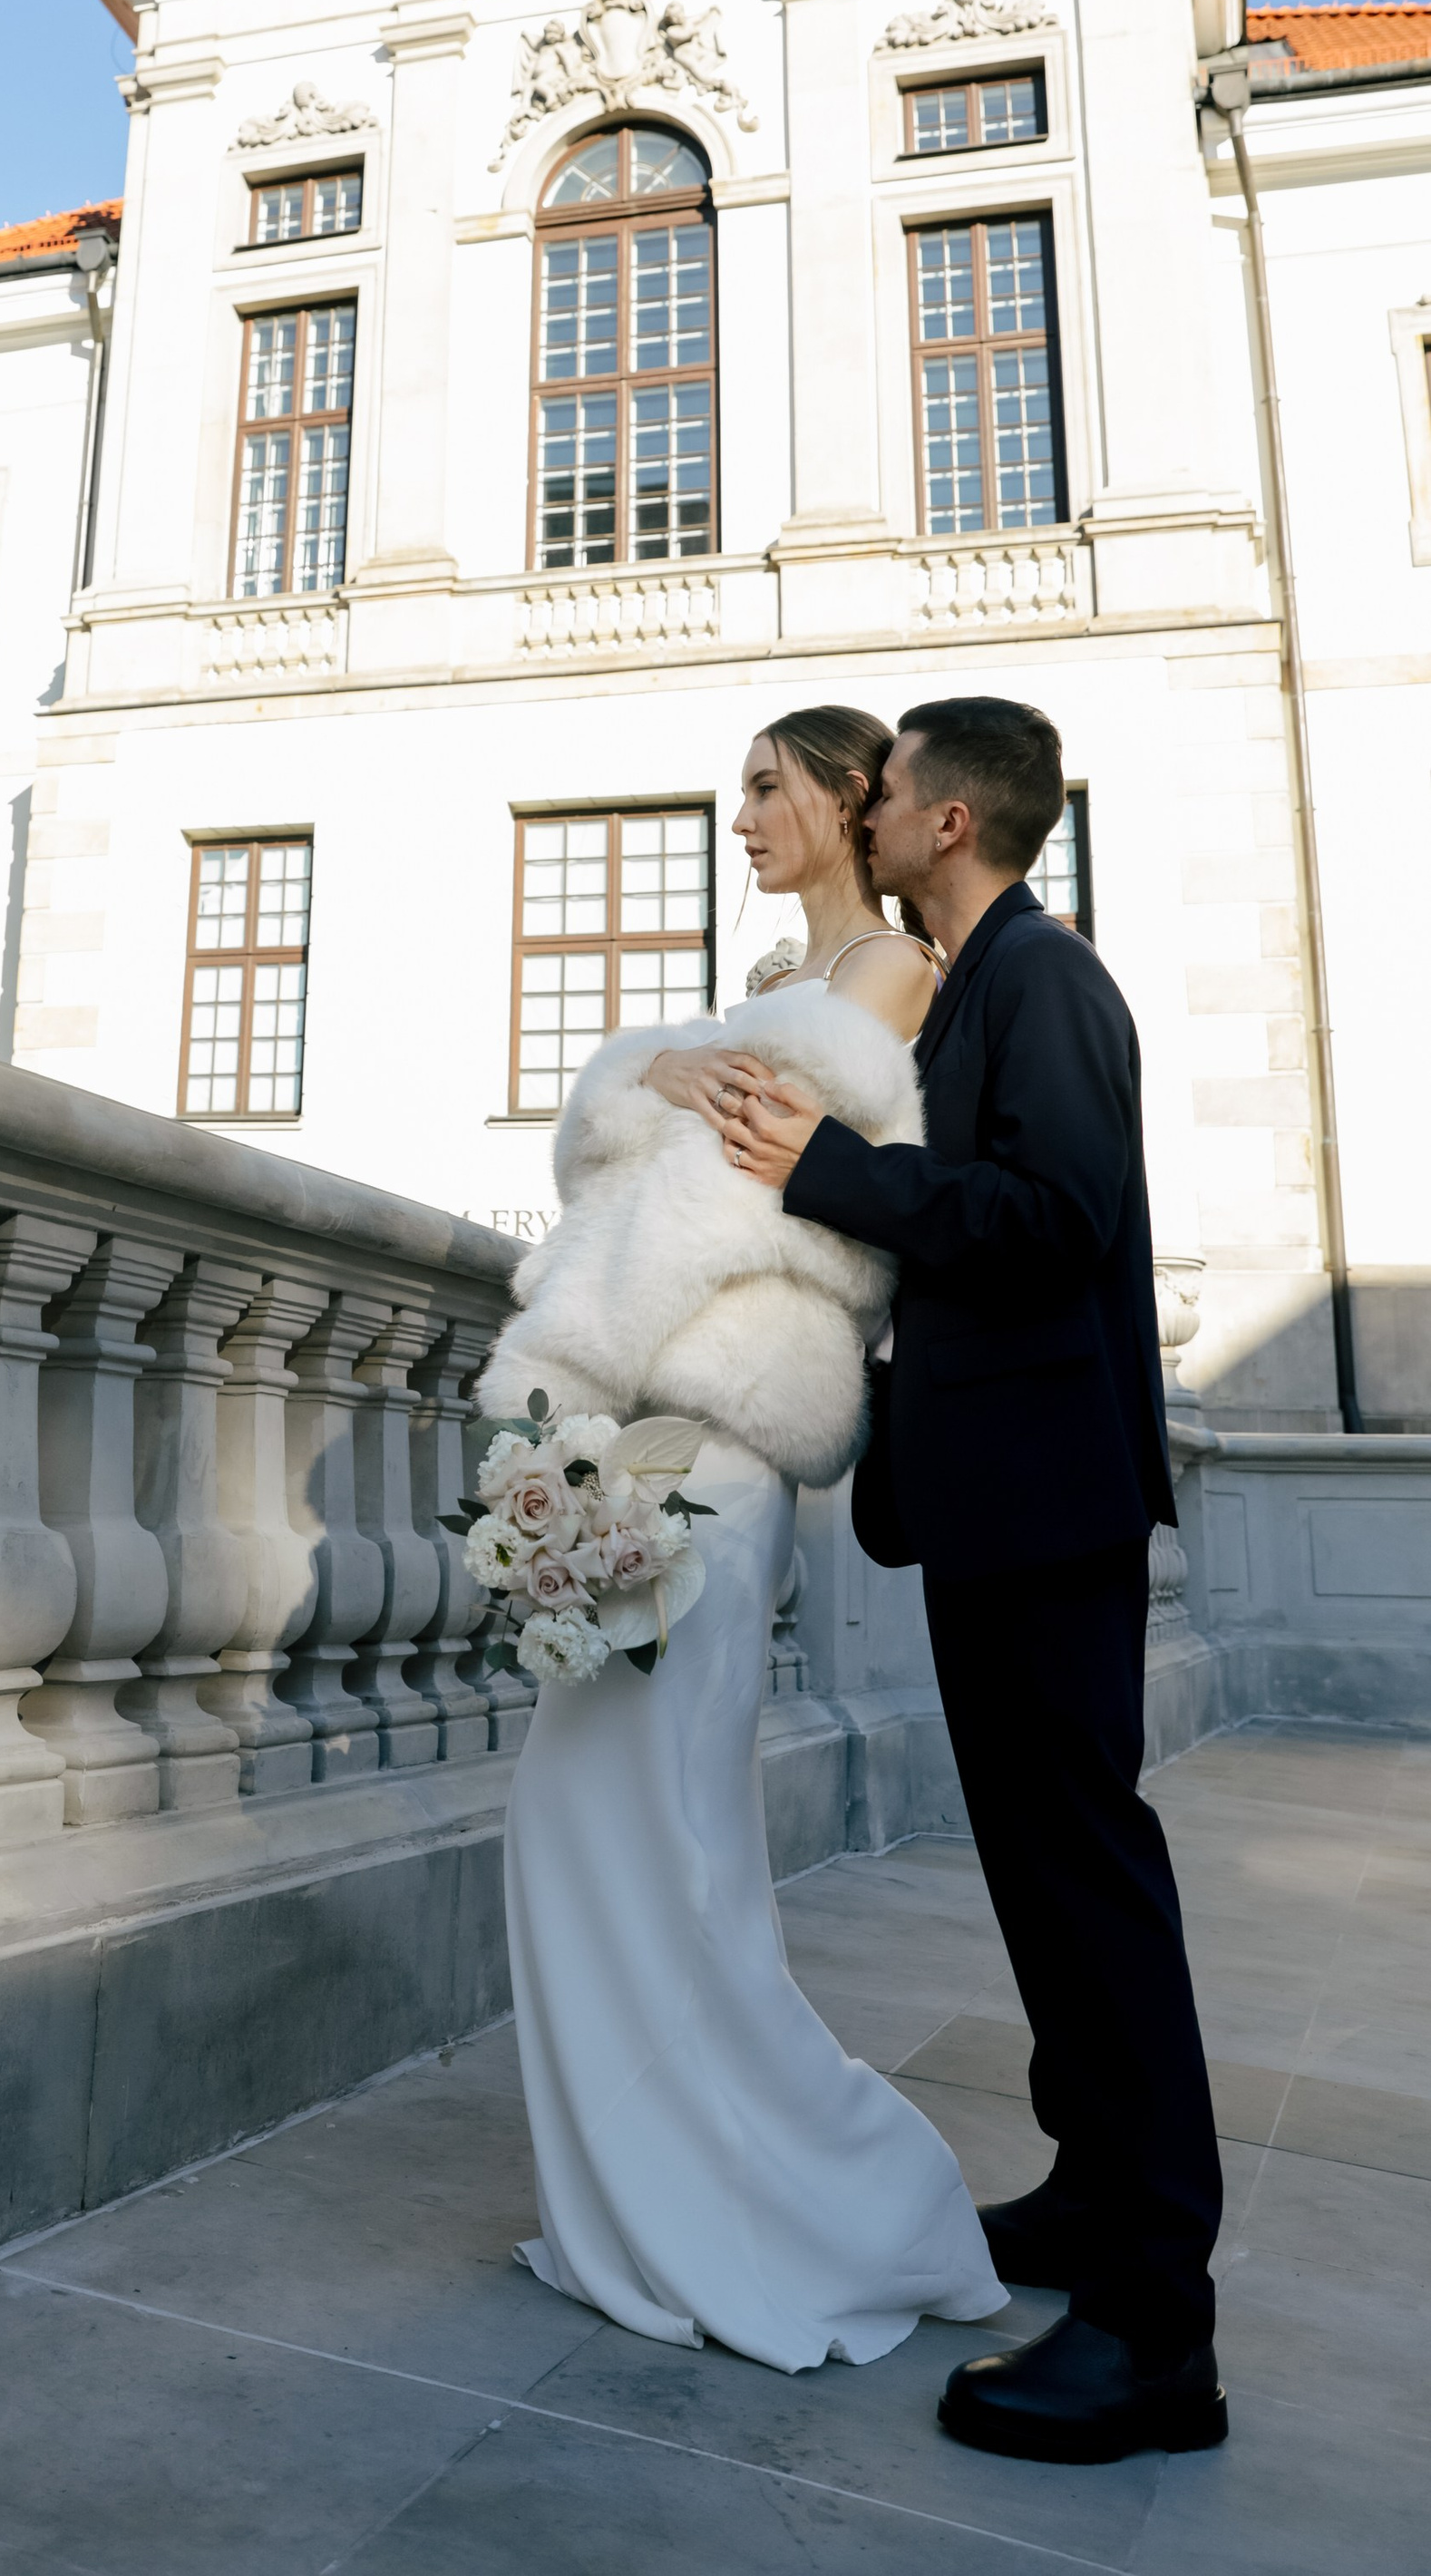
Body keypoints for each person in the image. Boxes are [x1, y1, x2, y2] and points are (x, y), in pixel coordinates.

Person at [725, 696, 1227, 2466]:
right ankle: (1096, 2200)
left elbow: (1053, 1219)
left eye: (879, 788)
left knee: (1087, 1883)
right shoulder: (979, 981)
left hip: (1048, 1504)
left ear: (946, 820)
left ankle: (1155, 2328)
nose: (856, 807)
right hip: (994, 1498)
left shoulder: (1043, 980)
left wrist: (830, 1173)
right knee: (1037, 1873)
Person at [500, 707, 1005, 2373]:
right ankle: (641, 2210)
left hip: (701, 1441)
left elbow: (703, 1197)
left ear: (855, 800)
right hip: (646, 1428)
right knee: (597, 1835)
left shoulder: (882, 978)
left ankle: (833, 2215)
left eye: (766, 788)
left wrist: (572, 1357)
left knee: (677, 1851)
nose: (739, 816)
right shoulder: (771, 998)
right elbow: (622, 1146)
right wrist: (642, 1073)